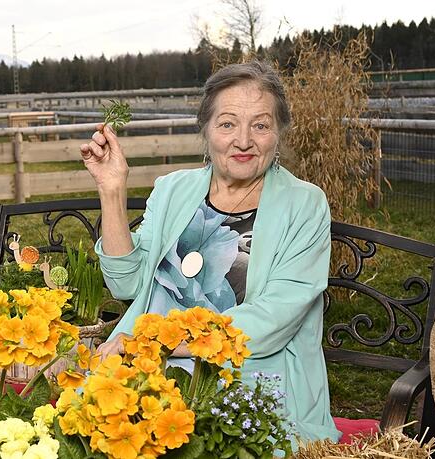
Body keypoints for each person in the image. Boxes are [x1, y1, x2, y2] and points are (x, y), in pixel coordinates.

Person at [79, 60, 341, 445]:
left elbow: (274, 317)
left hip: (248, 375)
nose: (244, 140)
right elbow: (126, 284)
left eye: (261, 125)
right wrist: (112, 189)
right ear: (206, 129)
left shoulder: (305, 204)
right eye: (228, 123)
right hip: (150, 370)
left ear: (278, 134)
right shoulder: (173, 189)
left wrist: (156, 344)